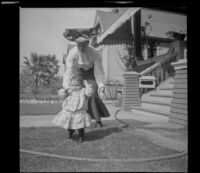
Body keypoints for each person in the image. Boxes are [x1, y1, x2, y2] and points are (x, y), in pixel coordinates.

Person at [62, 25, 110, 128]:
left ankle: (98, 120)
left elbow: (99, 70)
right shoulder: (72, 53)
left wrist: (101, 85)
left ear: (88, 43)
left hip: (91, 73)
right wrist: (66, 86)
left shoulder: (94, 52)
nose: (81, 47)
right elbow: (69, 70)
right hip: (78, 74)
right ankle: (78, 121)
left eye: (83, 45)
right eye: (79, 45)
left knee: (91, 94)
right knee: (78, 95)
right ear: (76, 44)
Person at [53, 75, 93, 143]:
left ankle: (81, 136)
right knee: (70, 126)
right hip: (69, 111)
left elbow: (90, 93)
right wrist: (64, 90)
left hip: (79, 112)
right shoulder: (69, 91)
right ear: (70, 85)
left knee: (80, 126)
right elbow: (61, 95)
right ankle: (70, 134)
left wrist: (86, 85)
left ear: (81, 85)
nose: (74, 87)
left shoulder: (83, 91)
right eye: (72, 85)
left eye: (77, 85)